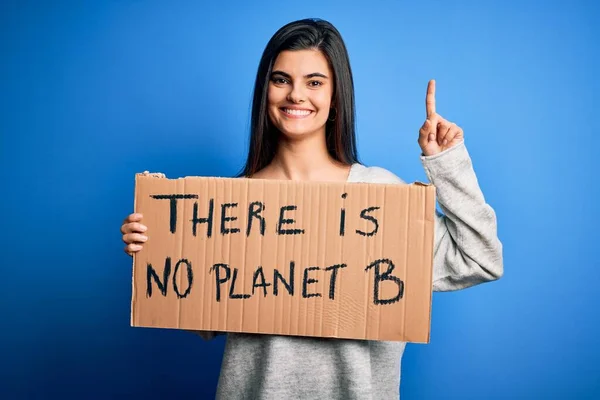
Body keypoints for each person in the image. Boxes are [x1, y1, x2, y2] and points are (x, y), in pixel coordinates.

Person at [120, 18, 503, 400]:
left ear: (336, 96)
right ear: (265, 90)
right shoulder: (228, 206)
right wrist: (156, 247)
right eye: (281, 79)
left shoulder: (379, 195)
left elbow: (480, 259)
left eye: (315, 82)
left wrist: (447, 163)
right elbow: (204, 323)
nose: (296, 95)